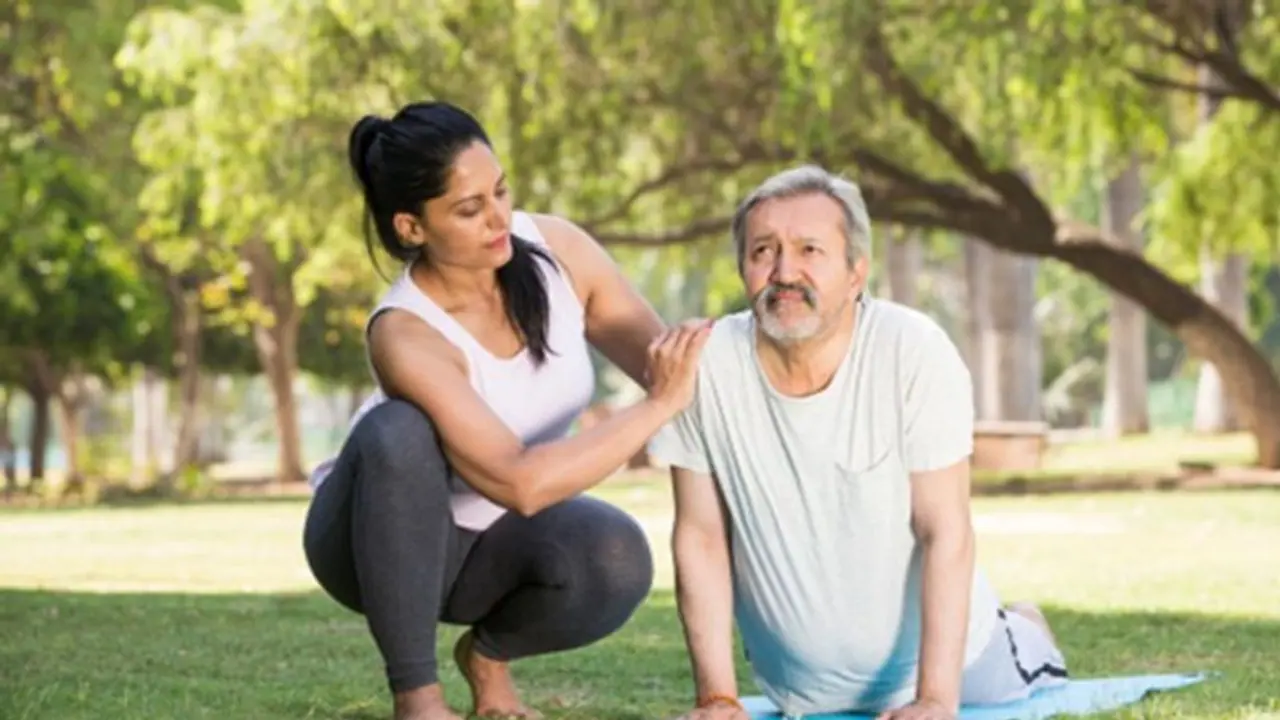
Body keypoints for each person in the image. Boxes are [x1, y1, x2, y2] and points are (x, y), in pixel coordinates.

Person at [303, 100, 711, 720]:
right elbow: (520, 481)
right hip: (374, 545)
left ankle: (488, 659)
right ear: (412, 227)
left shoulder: (558, 250)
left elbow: (670, 365)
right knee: (397, 431)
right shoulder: (407, 331)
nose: (499, 219)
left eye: (500, 191)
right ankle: (418, 699)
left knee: (615, 555)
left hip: (489, 549)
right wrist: (658, 407)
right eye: (470, 209)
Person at [648, 165, 1069, 720]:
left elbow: (945, 530)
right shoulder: (706, 365)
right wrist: (718, 700)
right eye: (763, 251)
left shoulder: (912, 350)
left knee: (1029, 658)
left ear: (856, 274)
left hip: (967, 669)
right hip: (797, 691)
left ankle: (1025, 622)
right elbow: (700, 537)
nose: (784, 271)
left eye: (810, 250)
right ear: (743, 269)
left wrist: (937, 701)